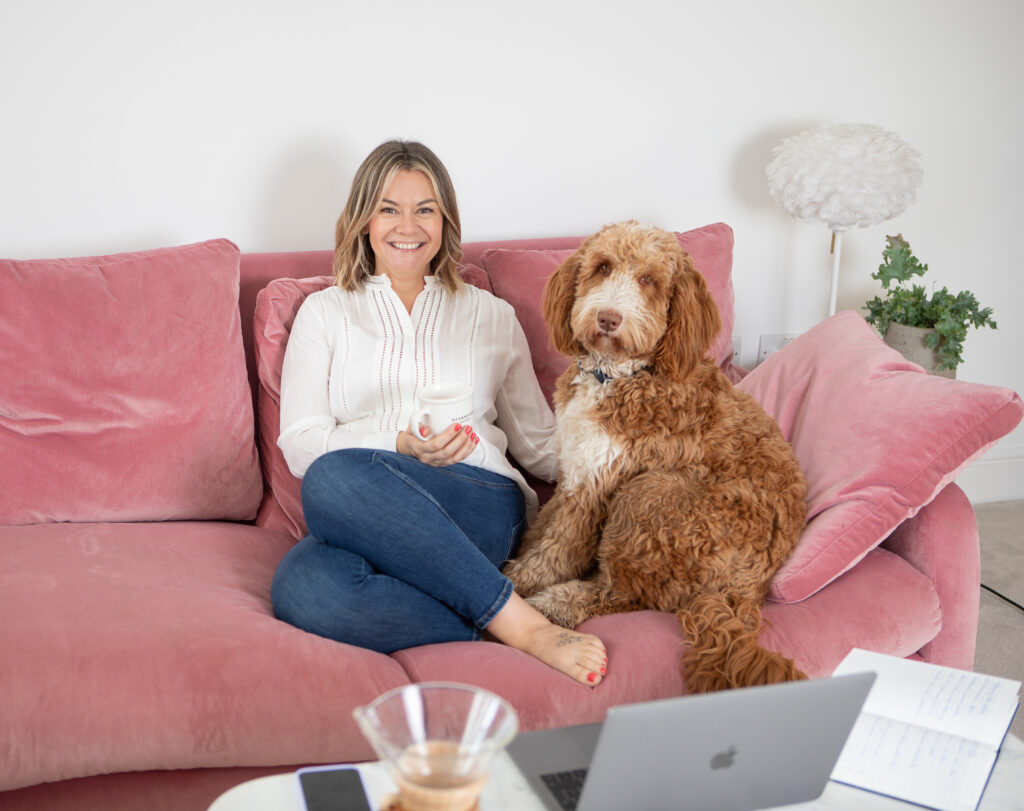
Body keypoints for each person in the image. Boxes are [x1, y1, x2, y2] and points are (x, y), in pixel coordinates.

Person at [270, 140, 607, 687]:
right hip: (366, 506)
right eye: (388, 208)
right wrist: (398, 445)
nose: (408, 225)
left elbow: (541, 447)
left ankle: (526, 629)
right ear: (362, 220)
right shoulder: (325, 313)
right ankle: (500, 622)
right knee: (302, 585)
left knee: (336, 474)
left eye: (425, 208)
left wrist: (620, 417)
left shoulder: (492, 316)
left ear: (445, 220)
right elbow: (300, 442)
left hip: (476, 499)